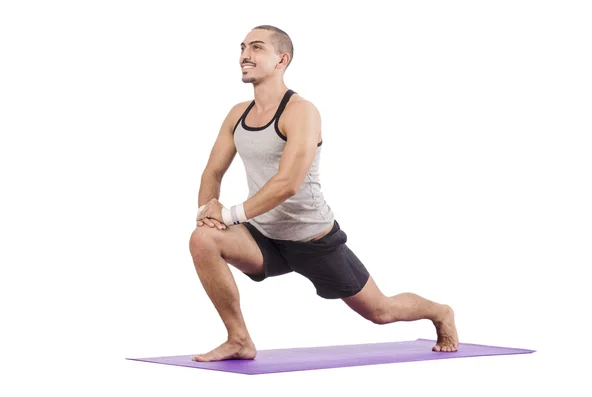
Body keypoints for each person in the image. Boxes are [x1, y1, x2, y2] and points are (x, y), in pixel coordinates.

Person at [189, 25, 459, 362]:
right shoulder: (237, 114)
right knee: (203, 239)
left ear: (281, 60)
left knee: (381, 311)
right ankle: (239, 339)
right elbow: (212, 172)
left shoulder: (301, 112)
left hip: (312, 239)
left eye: (257, 48)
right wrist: (207, 210)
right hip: (263, 236)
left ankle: (441, 312)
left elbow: (287, 183)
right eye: (243, 47)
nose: (245, 55)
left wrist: (227, 215)